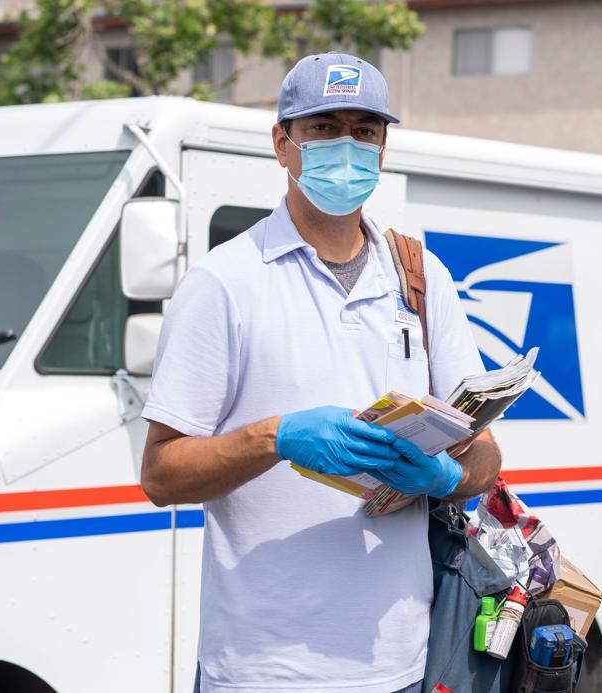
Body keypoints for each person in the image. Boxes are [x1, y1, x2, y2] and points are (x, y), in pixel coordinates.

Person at [140, 52, 502, 693]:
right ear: (282, 143)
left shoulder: (422, 277)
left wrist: (447, 475)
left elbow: (485, 455)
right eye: (324, 127)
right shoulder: (226, 281)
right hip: (260, 671)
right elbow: (162, 475)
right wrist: (274, 438)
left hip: (402, 665)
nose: (347, 146)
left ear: (384, 148)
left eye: (365, 130)